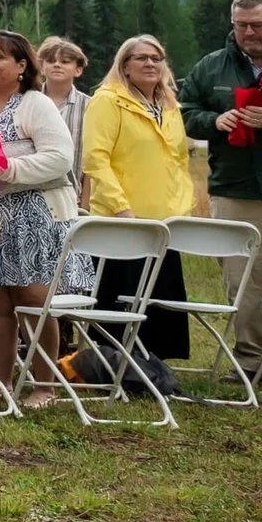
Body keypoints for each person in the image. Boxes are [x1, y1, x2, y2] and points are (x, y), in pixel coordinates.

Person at [0, 30, 79, 407]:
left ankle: (45, 386)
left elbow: (60, 158)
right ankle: (0, 383)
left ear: (22, 65)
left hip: (33, 214)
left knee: (33, 300)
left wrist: (6, 167)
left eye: (0, 57)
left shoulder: (36, 104)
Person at [178, 0, 262, 383]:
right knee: (241, 282)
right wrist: (214, 121)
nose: (249, 32)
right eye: (241, 25)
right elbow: (186, 114)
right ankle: (252, 362)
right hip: (234, 188)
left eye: (257, 24)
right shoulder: (211, 67)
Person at [82, 35, 196, 365]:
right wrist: (122, 209)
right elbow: (95, 159)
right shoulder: (107, 100)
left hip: (165, 220)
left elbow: (178, 159)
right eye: (140, 58)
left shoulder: (170, 105)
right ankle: (112, 366)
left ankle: (154, 364)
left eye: (156, 58)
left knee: (160, 296)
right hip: (122, 219)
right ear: (125, 67)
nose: (150, 63)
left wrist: (181, 207)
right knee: (119, 294)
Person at [37, 36, 91, 210]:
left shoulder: (90, 106)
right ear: (42, 67)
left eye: (65, 61)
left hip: (73, 198)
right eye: (51, 61)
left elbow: (93, 158)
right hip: (33, 197)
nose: (57, 65)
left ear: (78, 70)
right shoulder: (25, 101)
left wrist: (86, 202)